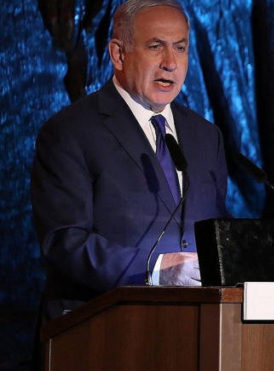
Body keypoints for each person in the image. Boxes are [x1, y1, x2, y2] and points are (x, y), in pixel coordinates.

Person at [30, 0, 228, 320]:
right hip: (101, 327)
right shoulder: (70, 131)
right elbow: (64, 240)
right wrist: (155, 270)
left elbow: (217, 230)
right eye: (155, 46)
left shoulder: (206, 136)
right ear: (118, 54)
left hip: (198, 326)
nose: (170, 63)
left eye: (180, 48)